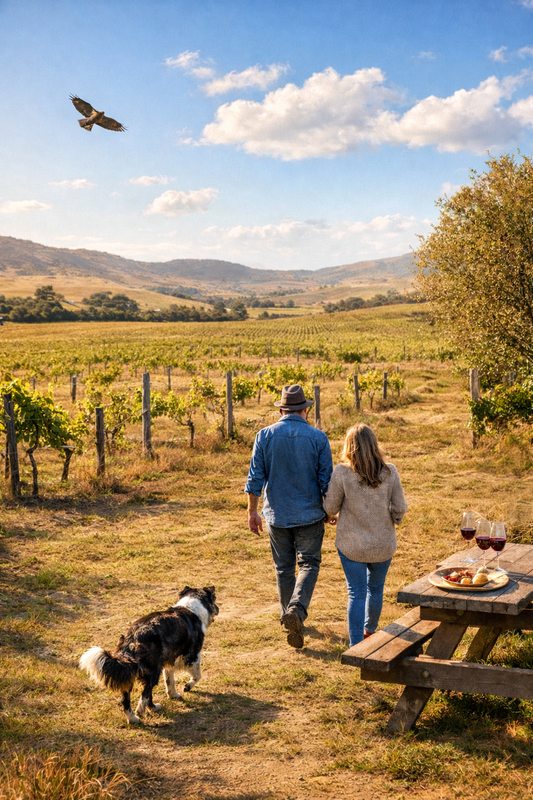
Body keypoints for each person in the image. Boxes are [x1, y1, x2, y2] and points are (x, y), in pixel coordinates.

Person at [245, 384, 333, 649]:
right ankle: (296, 609)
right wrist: (330, 511)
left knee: (283, 568)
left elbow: (255, 480)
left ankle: (289, 616)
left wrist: (252, 512)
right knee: (308, 564)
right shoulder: (318, 438)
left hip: (277, 515)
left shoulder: (264, 436)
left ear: (281, 409)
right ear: (305, 409)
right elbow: (326, 482)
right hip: (310, 516)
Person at [324, 423, 407, 647]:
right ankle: (370, 630)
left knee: (357, 592)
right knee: (376, 589)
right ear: (374, 445)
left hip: (351, 545)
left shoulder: (342, 473)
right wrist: (393, 521)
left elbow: (330, 507)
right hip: (383, 544)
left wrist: (331, 516)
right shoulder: (390, 471)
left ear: (349, 448)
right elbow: (400, 507)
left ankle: (355, 644)